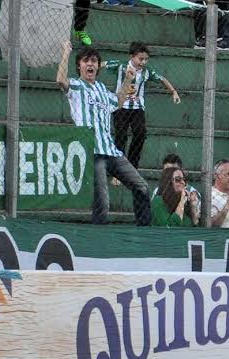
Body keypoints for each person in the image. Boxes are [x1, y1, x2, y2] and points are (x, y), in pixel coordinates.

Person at [56, 42, 151, 226]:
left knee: (142, 187)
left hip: (111, 151)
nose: (90, 64)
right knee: (103, 202)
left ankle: (144, 231)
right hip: (92, 151)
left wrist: (127, 80)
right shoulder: (76, 86)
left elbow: (118, 102)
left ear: (98, 66)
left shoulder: (101, 88)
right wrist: (65, 53)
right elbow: (61, 80)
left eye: (94, 61)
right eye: (86, 61)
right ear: (79, 65)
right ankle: (98, 238)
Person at [103, 42, 180, 170]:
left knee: (140, 133)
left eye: (146, 59)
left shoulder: (147, 71)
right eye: (140, 59)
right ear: (132, 57)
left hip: (137, 108)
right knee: (121, 137)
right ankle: (118, 169)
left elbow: (161, 79)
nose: (143, 62)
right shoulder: (121, 65)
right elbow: (103, 64)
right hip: (120, 107)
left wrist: (174, 92)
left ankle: (132, 166)